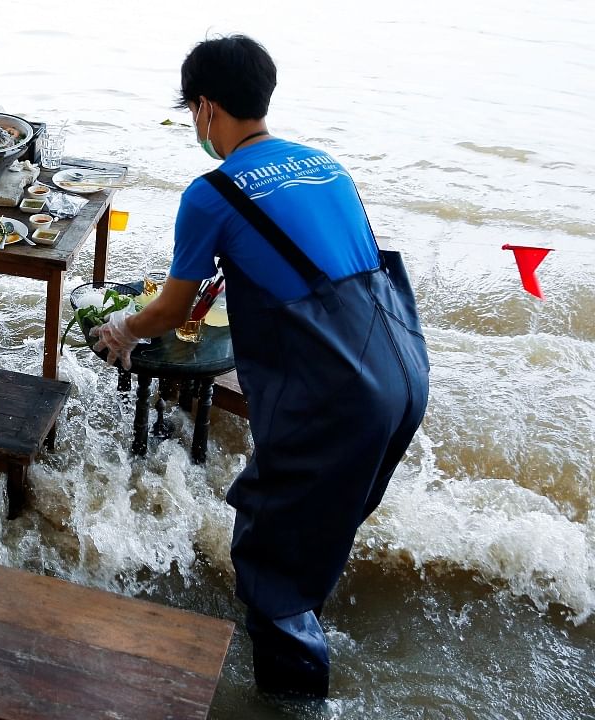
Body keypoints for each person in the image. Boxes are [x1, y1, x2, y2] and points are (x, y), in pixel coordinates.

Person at [94, 35, 429, 697]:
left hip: (337, 394)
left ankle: (292, 700)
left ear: (206, 108)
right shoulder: (325, 165)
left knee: (269, 555)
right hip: (401, 373)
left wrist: (122, 329)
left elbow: (168, 311)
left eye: (193, 110)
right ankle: (301, 638)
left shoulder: (211, 193)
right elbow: (327, 272)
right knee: (308, 534)